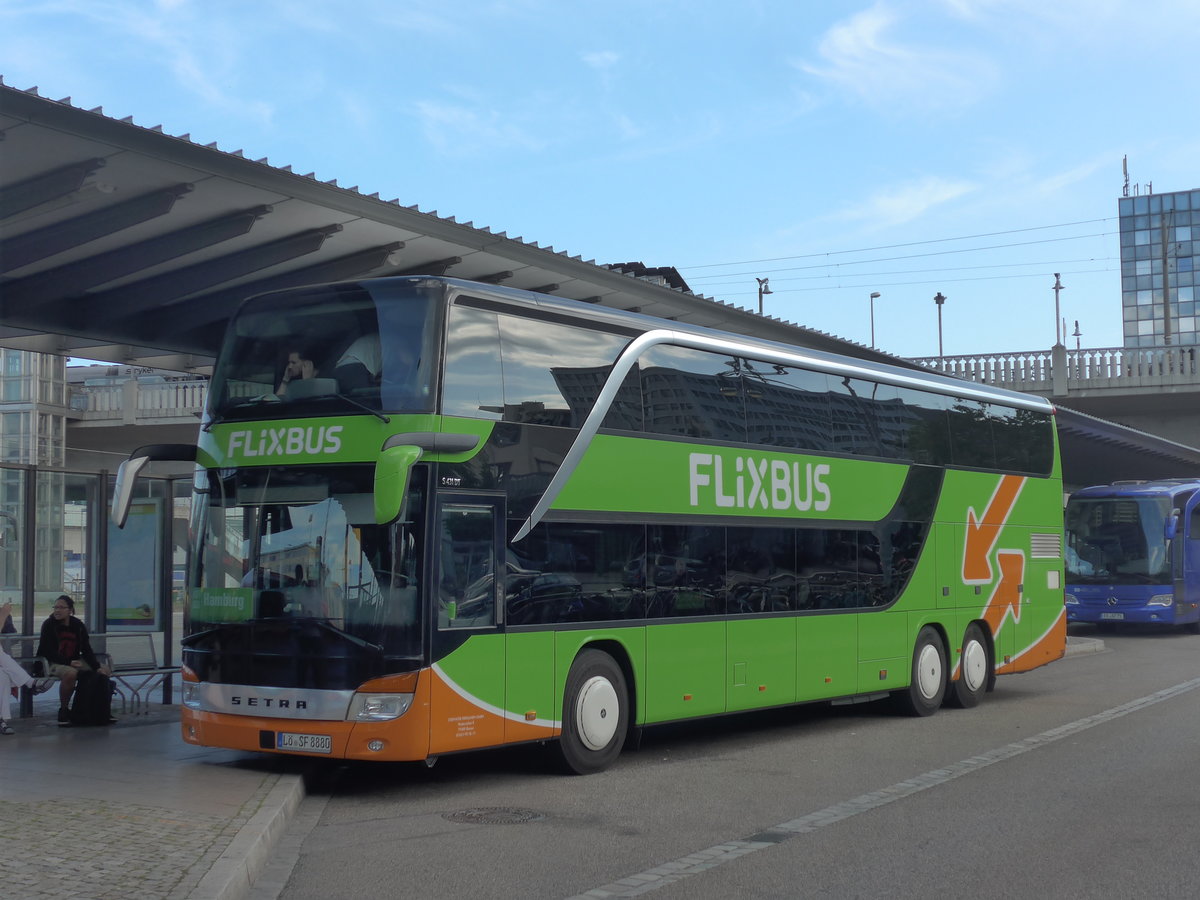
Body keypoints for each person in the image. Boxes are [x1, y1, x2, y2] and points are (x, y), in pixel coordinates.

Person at [35, 594, 111, 726]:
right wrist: (68, 662)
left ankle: (100, 710)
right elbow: (47, 650)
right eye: (55, 607)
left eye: (61, 607)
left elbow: (86, 649)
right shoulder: (48, 625)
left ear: (70, 610)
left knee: (104, 670)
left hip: (74, 660)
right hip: (51, 662)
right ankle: (64, 710)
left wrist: (96, 665)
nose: (57, 610)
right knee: (70, 673)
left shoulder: (78, 625)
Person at [0, 602, 54, 734]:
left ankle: (2, 720)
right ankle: (31, 683)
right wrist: (4, 614)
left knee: (2, 675)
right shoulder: (3, 613)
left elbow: (12, 637)